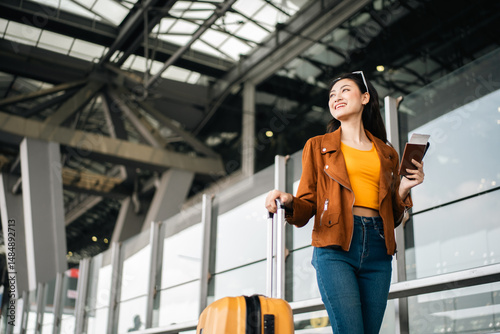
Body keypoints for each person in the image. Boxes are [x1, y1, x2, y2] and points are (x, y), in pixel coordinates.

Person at [265, 71, 424, 333]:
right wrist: (290, 200)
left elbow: (394, 217)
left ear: (364, 97)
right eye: (332, 94)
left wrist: (404, 188)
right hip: (335, 246)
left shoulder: (387, 152)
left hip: (379, 248)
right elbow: (306, 207)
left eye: (345, 90)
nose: (336, 97)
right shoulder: (317, 146)